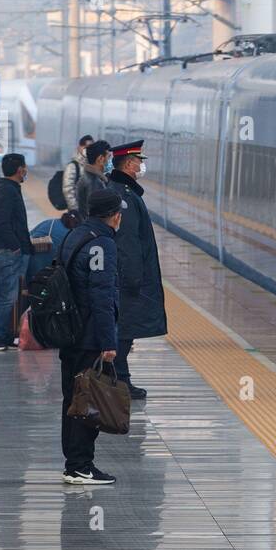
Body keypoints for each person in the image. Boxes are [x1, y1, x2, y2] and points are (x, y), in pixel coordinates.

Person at [59, 188, 122, 486]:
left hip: (69, 331)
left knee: (72, 398)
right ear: (113, 215)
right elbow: (101, 296)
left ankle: (73, 463)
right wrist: (108, 342)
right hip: (88, 336)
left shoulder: (75, 234)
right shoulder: (103, 244)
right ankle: (81, 465)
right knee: (87, 399)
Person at [106, 140, 167, 401]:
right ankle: (119, 380)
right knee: (124, 330)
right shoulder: (124, 197)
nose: (141, 165)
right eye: (139, 161)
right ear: (129, 164)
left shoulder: (124, 192)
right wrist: (132, 278)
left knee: (125, 330)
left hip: (126, 276)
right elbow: (128, 241)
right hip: (128, 279)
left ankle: (120, 378)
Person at [0, 153, 33, 351]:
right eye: (25, 167)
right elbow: (1, 222)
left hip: (12, 250)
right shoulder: (6, 191)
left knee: (9, 295)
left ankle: (3, 335)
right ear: (20, 169)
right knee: (6, 296)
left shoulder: (7, 188)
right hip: (9, 252)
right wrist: (15, 246)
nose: (26, 170)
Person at [75, 139, 111, 220]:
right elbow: (96, 215)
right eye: (109, 157)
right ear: (101, 159)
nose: (110, 161)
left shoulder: (89, 177)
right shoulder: (94, 183)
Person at [63, 135, 93, 212]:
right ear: (79, 147)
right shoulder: (73, 166)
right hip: (78, 212)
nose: (89, 150)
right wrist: (75, 209)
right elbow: (68, 189)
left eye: (91, 148)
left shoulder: (91, 165)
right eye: (87, 147)